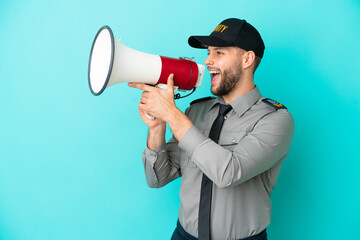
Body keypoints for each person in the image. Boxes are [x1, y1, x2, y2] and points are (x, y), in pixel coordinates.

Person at [128, 18, 294, 240]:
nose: (207, 61)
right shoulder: (195, 112)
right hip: (183, 235)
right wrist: (158, 126)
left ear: (247, 59)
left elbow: (228, 173)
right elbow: (157, 178)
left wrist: (171, 114)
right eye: (208, 52)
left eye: (219, 53)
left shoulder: (275, 119)